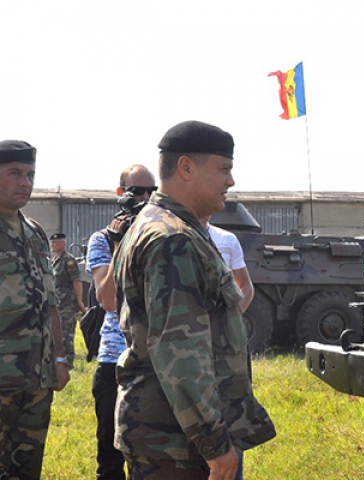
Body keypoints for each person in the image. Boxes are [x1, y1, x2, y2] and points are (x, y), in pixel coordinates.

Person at [112, 120, 275, 480]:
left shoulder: (164, 226)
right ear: (186, 168)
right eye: (224, 169)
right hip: (176, 444)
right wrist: (215, 446)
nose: (230, 181)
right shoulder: (173, 239)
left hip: (170, 435)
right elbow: (178, 351)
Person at [0, 140, 70, 479]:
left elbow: (51, 301)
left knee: (27, 469)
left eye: (29, 174)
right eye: (15, 173)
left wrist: (58, 358)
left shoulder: (35, 232)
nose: (25, 182)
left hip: (36, 378)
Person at [86, 164, 157, 480]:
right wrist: (120, 245)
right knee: (111, 459)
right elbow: (109, 300)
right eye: (137, 191)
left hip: (157, 361)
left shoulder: (162, 238)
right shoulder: (102, 240)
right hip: (115, 360)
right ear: (120, 194)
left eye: (152, 191)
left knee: (154, 459)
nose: (144, 198)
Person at [200, 215, 254, 313]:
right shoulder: (174, 236)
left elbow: (245, 285)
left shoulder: (227, 239)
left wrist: (233, 318)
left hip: (217, 317)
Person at [50, 232, 86, 369]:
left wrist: (79, 301)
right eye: (51, 243)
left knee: (66, 335)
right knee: (56, 334)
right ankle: (58, 363)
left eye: (55, 242)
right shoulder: (54, 261)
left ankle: (68, 364)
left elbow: (76, 280)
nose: (52, 245)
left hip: (67, 304)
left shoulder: (69, 260)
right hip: (57, 304)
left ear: (63, 243)